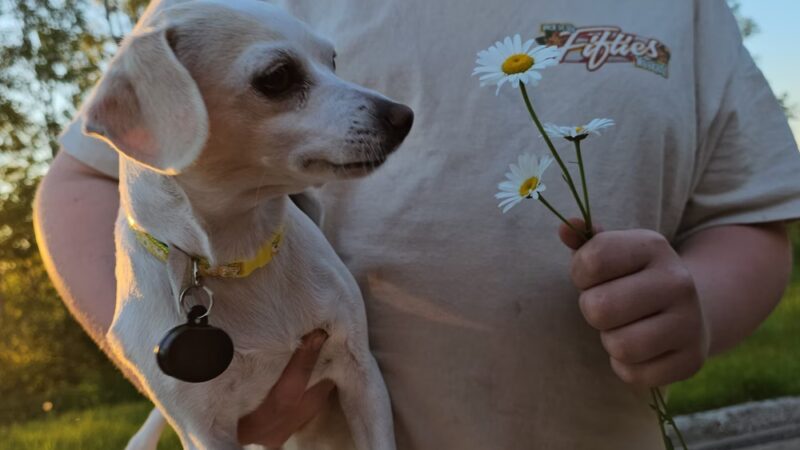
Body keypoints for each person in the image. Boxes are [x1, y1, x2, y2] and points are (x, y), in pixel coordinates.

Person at [33, 0, 800, 448]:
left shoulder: (687, 10)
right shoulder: (209, 17)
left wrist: (700, 301)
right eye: (278, 80)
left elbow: (750, 218)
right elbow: (82, 181)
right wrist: (185, 372)